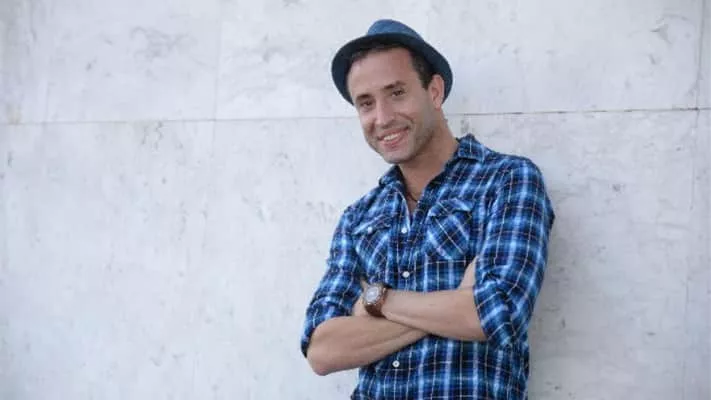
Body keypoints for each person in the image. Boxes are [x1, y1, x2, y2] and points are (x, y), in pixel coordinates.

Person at [300, 19, 555, 400]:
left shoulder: (507, 181)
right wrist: (455, 302)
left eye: (397, 93)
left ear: (434, 91)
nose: (382, 117)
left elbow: (496, 312)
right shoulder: (359, 217)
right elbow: (322, 350)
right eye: (366, 103)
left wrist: (376, 300)